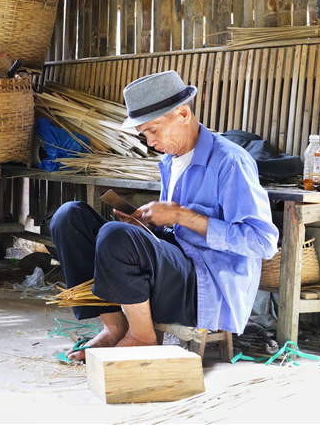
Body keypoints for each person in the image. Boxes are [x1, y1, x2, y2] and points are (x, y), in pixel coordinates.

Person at [49, 70, 278, 362]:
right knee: (70, 218)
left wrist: (181, 215)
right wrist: (146, 228)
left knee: (115, 236)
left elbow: (263, 243)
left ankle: (143, 337)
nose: (150, 141)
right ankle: (115, 328)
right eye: (144, 133)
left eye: (153, 130)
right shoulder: (171, 162)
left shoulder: (230, 161)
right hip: (176, 275)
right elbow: (175, 238)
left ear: (183, 113)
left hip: (206, 290)